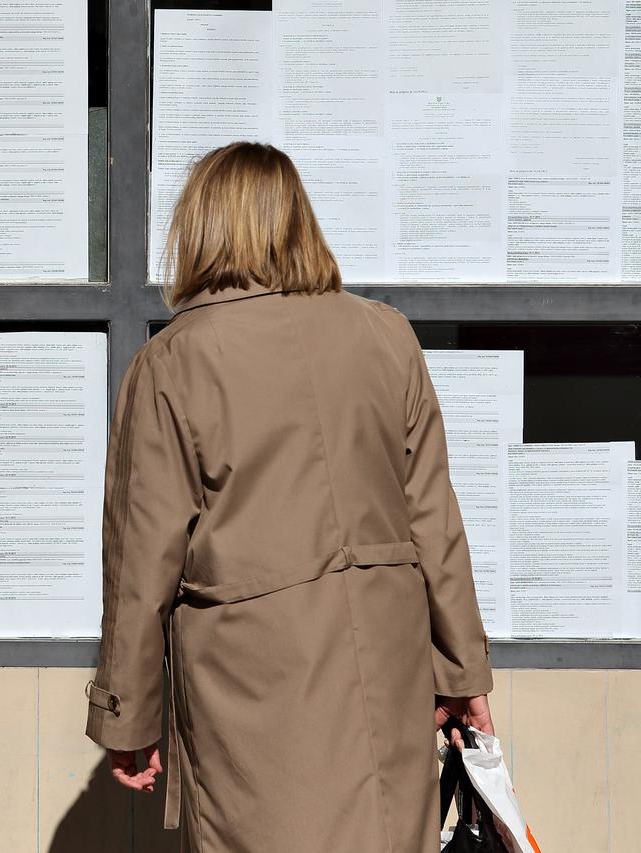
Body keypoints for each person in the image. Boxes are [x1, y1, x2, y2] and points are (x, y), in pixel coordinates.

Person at [85, 142, 494, 851]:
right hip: (386, 680)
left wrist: (127, 717)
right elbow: (435, 522)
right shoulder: (386, 336)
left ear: (203, 229)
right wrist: (461, 673)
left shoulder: (174, 363)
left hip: (252, 691)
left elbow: (140, 561)